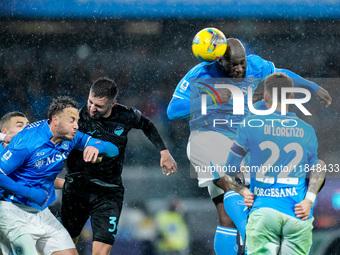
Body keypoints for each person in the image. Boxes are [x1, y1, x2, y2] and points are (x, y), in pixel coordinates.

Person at [167, 37, 332, 254]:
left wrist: (312, 87)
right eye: (233, 65)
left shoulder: (256, 65)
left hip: (240, 144)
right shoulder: (200, 73)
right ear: (220, 62)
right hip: (209, 139)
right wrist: (212, 100)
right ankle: (252, 236)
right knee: (232, 183)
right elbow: (173, 110)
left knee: (227, 219)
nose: (239, 69)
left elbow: (282, 75)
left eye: (241, 63)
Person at [60, 77, 177, 255]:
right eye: (90, 102)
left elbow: (147, 124)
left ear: (112, 103)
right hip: (78, 189)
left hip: (109, 192)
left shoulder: (125, 115)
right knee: (64, 246)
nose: (92, 108)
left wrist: (163, 151)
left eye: (99, 106)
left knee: (100, 252)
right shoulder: (76, 119)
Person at [0, 96, 119, 255]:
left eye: (76, 121)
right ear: (55, 120)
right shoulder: (26, 143)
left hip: (42, 212)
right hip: (14, 212)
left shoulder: (70, 137)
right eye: (72, 121)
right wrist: (30, 193)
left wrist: (98, 147)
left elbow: (113, 149)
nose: (76, 126)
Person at [224, 73, 326, 254]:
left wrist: (244, 191)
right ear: (292, 96)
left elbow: (229, 172)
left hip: (264, 212)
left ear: (265, 97)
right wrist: (309, 200)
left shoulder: (250, 125)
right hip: (298, 215)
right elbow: (319, 169)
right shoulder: (307, 130)